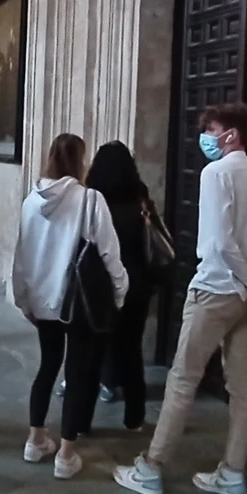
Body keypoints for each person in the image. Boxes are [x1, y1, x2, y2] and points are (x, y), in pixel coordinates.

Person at [113, 102, 247, 494]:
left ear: (231, 135)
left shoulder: (216, 173)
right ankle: (234, 473)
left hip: (215, 289)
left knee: (182, 379)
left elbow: (221, 243)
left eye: (212, 128)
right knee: (242, 385)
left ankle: (152, 467)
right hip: (243, 297)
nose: (206, 136)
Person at [9, 134, 129, 479]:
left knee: (47, 367)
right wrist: (119, 293)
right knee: (77, 374)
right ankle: (66, 454)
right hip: (78, 302)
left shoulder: (31, 200)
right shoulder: (90, 199)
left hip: (43, 301)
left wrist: (23, 299)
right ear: (80, 160)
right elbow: (109, 253)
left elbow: (21, 255)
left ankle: (35, 440)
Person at [85, 141, 164, 432]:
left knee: (93, 352)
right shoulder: (140, 196)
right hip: (137, 286)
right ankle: (135, 417)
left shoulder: (93, 198)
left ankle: (81, 420)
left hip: (101, 286)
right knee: (132, 352)